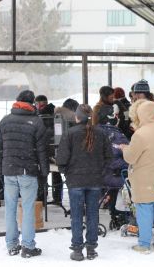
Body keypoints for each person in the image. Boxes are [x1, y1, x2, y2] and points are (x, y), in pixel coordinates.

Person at [0, 90, 49, 258]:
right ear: (32, 103)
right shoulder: (36, 122)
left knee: (9, 208)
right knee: (27, 208)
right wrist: (44, 172)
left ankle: (11, 245)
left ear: (17, 101)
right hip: (28, 171)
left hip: (9, 171)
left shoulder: (4, 121)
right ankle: (28, 246)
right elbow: (42, 151)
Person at [56, 104, 112, 261]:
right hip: (94, 180)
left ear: (77, 117)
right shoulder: (101, 133)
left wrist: (66, 171)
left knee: (76, 215)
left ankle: (77, 249)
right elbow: (109, 157)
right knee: (93, 214)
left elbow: (61, 159)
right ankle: (91, 249)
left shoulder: (70, 133)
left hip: (75, 180)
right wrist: (100, 170)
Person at [122, 100, 154, 254]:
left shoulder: (140, 133)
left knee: (145, 209)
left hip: (145, 180)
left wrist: (124, 148)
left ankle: (144, 244)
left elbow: (130, 157)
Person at [97, 105, 129, 221]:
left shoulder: (93, 132)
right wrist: (127, 165)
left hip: (96, 175)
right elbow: (126, 157)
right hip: (112, 176)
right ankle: (117, 213)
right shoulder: (118, 136)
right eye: (116, 115)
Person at [34, 95, 57, 203]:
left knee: (45, 174)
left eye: (42, 105)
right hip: (46, 148)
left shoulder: (53, 114)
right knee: (42, 174)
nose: (39, 107)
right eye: (38, 104)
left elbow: (54, 131)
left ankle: (52, 197)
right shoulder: (36, 115)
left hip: (49, 148)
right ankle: (44, 196)